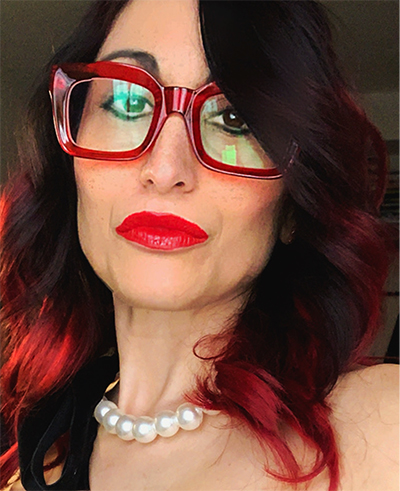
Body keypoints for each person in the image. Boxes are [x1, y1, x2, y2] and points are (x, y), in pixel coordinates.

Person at [1, 0, 398, 490]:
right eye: (128, 103)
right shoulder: (34, 455)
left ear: (294, 205)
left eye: (233, 118)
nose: (165, 169)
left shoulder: (380, 429)